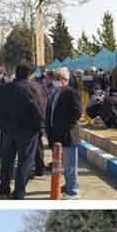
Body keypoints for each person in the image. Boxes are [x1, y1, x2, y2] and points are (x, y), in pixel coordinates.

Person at [0, 62, 45, 199]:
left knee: (7, 160)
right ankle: (18, 192)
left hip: (8, 130)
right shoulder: (31, 89)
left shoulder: (4, 88)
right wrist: (39, 127)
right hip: (27, 131)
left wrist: (1, 122)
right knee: (25, 162)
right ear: (30, 74)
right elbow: (38, 111)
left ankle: (4, 190)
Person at [47, 67, 84, 198]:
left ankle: (73, 191)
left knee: (70, 166)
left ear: (65, 80)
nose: (55, 81)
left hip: (68, 135)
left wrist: (65, 124)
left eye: (58, 79)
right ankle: (68, 186)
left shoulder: (71, 93)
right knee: (63, 166)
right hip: (57, 135)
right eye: (55, 78)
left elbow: (78, 112)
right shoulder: (55, 93)